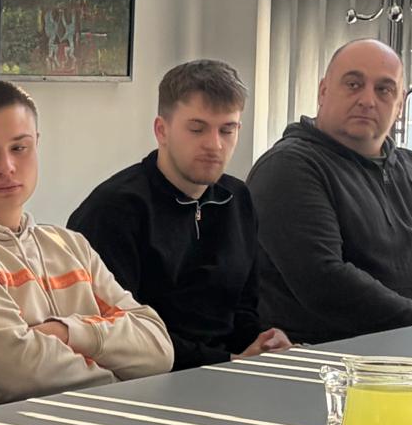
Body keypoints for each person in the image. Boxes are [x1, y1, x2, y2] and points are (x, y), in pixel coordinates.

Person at [0, 78, 173, 414]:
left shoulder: (68, 244)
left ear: (36, 144)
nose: (6, 167)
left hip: (98, 423)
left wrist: (67, 333)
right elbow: (25, 377)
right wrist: (123, 377)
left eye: (19, 148)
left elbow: (159, 349)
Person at [68, 59, 289, 369]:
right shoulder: (113, 210)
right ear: (162, 130)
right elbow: (119, 333)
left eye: (227, 130)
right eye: (197, 129)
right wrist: (228, 361)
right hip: (147, 376)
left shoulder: (237, 198)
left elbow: (243, 307)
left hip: (229, 368)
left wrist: (263, 343)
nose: (215, 145)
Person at [248, 38, 412, 343]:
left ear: (400, 105)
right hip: (330, 361)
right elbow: (324, 280)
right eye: (353, 84)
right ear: (323, 91)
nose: (367, 100)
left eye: (384, 89)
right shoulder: (287, 167)